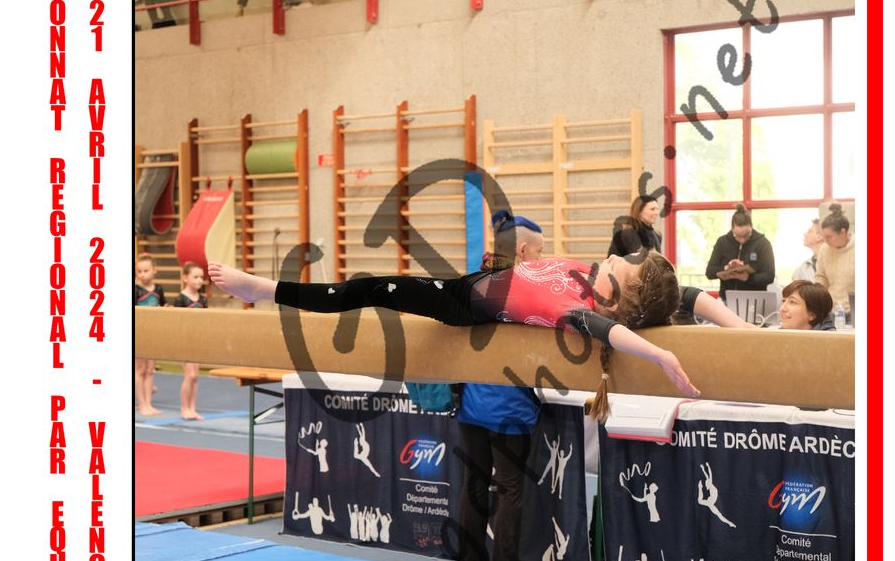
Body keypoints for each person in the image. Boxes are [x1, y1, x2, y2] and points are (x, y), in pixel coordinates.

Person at [207, 245, 755, 424]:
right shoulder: (595, 280)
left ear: (617, 299)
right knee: (368, 285)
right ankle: (265, 290)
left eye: (624, 267)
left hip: (458, 302)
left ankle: (266, 290)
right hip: (478, 279)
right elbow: (687, 295)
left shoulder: (573, 308)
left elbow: (608, 334)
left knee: (367, 287)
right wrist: (745, 331)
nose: (615, 256)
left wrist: (659, 353)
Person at [453, 212, 555, 561]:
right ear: (523, 249)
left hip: (472, 400)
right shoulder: (525, 291)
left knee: (475, 484)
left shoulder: (474, 281)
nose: (542, 259)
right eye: (539, 252)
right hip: (507, 404)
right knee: (510, 488)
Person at [705, 204, 776, 300]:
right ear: (732, 229)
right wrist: (726, 268)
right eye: (737, 236)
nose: (742, 240)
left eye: (746, 235)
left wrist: (747, 278)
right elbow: (709, 272)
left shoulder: (763, 243)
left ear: (751, 227)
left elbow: (769, 276)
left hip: (755, 299)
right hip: (727, 298)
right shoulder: (722, 242)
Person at [173, 262, 208, 419]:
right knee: (189, 375)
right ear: (185, 278)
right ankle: (184, 409)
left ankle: (192, 408)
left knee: (195, 377)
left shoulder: (203, 299)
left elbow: (206, 320)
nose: (199, 280)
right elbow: (177, 322)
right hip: (184, 340)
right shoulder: (180, 299)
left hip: (198, 340)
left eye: (201, 277)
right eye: (195, 277)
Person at [135, 254, 165, 416]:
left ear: (154, 270)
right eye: (139, 271)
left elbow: (163, 306)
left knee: (150, 370)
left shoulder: (158, 289)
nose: (142, 274)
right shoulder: (135, 290)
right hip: (138, 332)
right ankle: (142, 404)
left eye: (146, 271)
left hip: (153, 332)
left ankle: (148, 403)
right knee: (140, 369)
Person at [815, 203, 855, 317]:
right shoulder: (824, 249)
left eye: (829, 237)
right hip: (831, 311)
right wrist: (816, 293)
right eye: (824, 236)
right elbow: (821, 277)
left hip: (855, 312)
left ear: (843, 232)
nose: (825, 240)